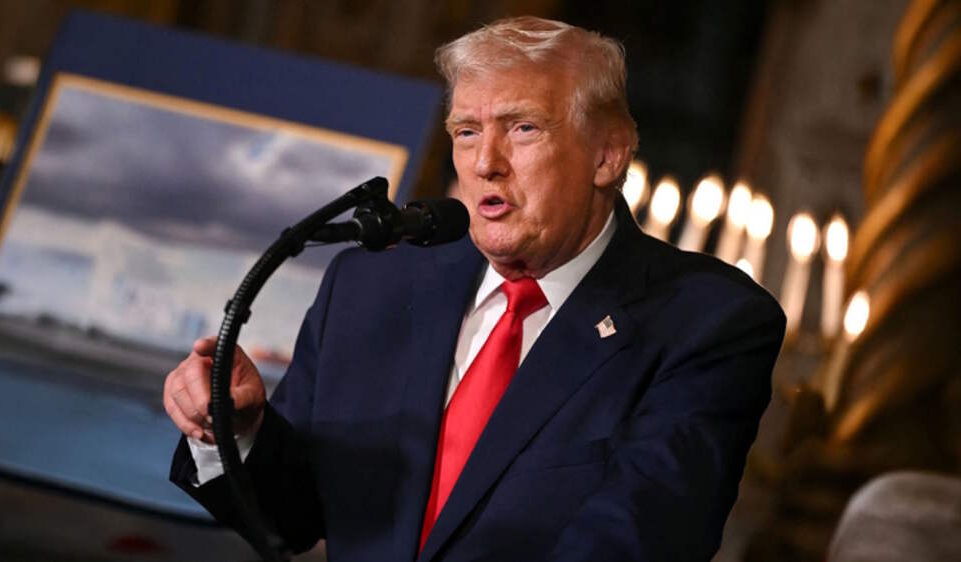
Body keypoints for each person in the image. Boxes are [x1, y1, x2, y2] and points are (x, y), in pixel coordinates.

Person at [165, 16, 785, 562]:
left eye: (523, 129)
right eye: (466, 132)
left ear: (607, 155)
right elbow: (292, 519)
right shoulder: (369, 288)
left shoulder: (706, 323)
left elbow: (637, 539)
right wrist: (236, 428)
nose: (486, 162)